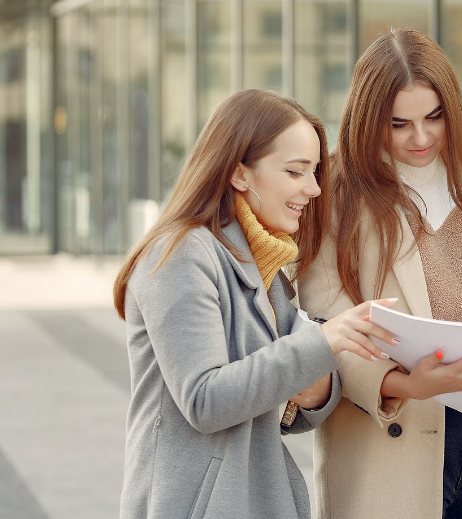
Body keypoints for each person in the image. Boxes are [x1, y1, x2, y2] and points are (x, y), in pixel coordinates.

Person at [297, 29, 462, 519]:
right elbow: (325, 322)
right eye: (398, 124)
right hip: (391, 439)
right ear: (368, 118)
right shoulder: (333, 193)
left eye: (434, 118)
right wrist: (406, 385)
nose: (420, 138)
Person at [112, 89, 395, 519]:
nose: (315, 188)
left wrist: (316, 387)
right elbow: (205, 401)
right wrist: (322, 343)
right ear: (240, 174)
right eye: (297, 172)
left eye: (315, 171)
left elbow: (291, 403)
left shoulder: (266, 267)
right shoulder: (181, 254)